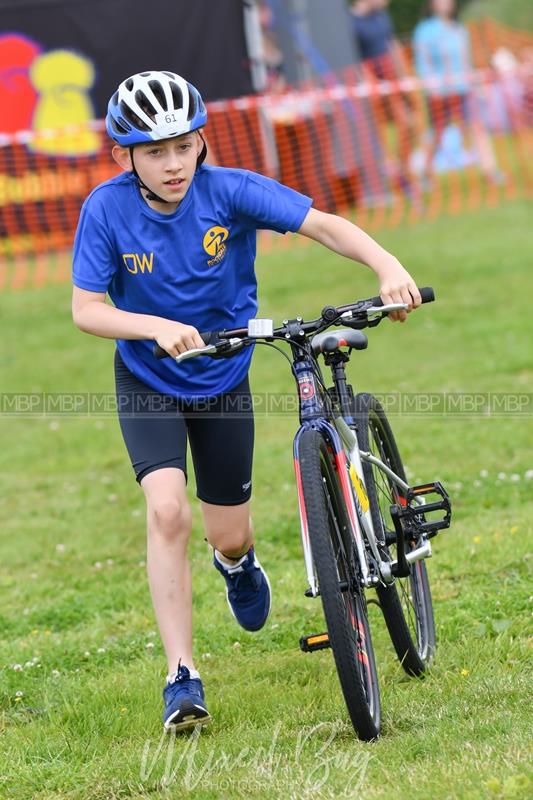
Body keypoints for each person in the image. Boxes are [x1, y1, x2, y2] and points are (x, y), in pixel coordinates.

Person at [71, 70, 422, 732]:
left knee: (227, 531)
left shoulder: (227, 190)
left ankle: (235, 563)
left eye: (182, 146)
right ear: (125, 157)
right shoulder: (106, 208)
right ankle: (181, 676)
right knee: (167, 512)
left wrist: (386, 266)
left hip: (223, 378)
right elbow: (86, 310)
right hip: (147, 378)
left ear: (201, 141)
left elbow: (323, 225)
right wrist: (153, 328)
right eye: (153, 152)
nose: (172, 164)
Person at [413, 0, 501, 182]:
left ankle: (490, 170)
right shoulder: (424, 31)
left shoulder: (459, 29)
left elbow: (465, 60)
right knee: (437, 134)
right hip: (440, 92)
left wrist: (475, 84)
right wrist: (431, 86)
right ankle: (426, 174)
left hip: (463, 89)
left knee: (477, 128)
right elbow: (423, 62)